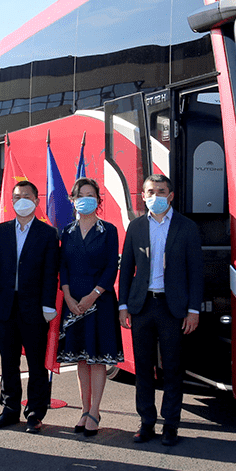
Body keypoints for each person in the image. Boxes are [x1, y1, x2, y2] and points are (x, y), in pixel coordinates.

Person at [118, 174, 203, 447]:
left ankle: (171, 425)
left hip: (172, 307)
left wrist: (193, 310)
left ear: (171, 195)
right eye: (150, 191)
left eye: (161, 191)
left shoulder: (187, 228)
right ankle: (146, 422)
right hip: (142, 306)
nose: (156, 196)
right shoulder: (136, 227)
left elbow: (196, 273)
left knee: (172, 369)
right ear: (143, 196)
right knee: (143, 368)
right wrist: (123, 306)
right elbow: (126, 268)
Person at [0, 180, 60, 433]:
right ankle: (9, 409)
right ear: (12, 201)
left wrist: (48, 304)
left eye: (27, 195)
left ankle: (35, 412)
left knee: (36, 363)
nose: (21, 200)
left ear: (37, 201)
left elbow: (51, 272)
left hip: (35, 308)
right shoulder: (1, 232)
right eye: (17, 196)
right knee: (8, 361)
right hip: (6, 307)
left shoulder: (48, 234)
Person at [56, 177, 122, 437]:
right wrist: (69, 297)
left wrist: (93, 296)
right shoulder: (67, 231)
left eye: (90, 194)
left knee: (97, 360)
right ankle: (84, 410)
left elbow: (110, 267)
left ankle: (95, 410)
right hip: (73, 303)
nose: (85, 198)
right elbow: (64, 267)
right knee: (81, 359)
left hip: (100, 301)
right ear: (73, 200)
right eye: (80, 194)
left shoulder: (109, 230)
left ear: (98, 199)